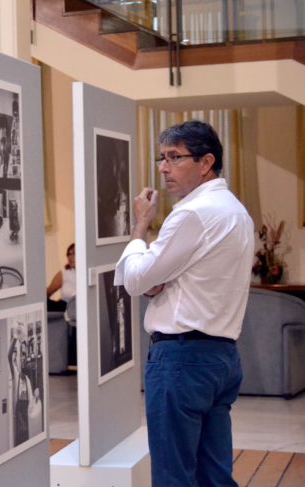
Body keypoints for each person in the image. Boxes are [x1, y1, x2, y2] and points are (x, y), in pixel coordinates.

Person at [114, 120, 254, 486]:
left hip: (181, 359)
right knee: (215, 475)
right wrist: (152, 280)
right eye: (161, 158)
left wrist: (141, 225)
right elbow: (156, 281)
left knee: (173, 476)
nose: (163, 168)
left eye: (174, 157)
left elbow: (135, 280)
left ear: (205, 162)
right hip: (221, 357)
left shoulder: (192, 213)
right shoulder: (236, 210)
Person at [46, 243, 76, 312]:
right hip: (63, 309)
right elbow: (47, 293)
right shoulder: (63, 273)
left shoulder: (87, 273)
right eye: (68, 255)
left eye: (73, 254)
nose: (70, 257)